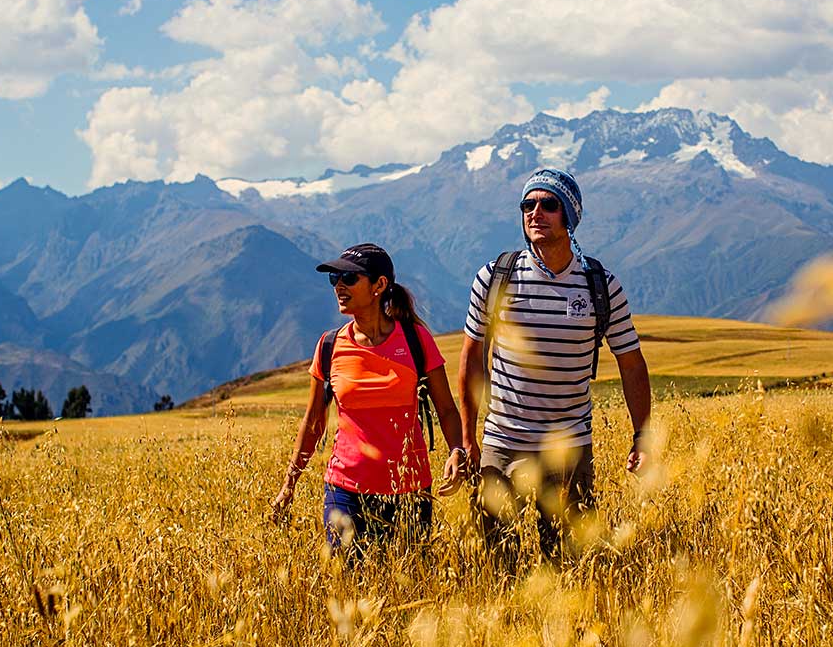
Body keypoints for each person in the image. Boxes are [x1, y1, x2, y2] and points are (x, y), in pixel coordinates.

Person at [459, 168, 651, 568]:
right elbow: (471, 360)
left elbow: (631, 364)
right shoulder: (496, 279)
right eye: (528, 205)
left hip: (569, 450)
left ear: (570, 216)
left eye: (549, 204)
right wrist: (466, 439)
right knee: (496, 565)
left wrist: (642, 437)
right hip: (503, 441)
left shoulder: (601, 285)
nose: (535, 213)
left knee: (571, 565)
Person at [272, 243, 466, 557]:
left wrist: (457, 449)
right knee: (349, 589)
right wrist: (289, 484)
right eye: (334, 277)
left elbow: (446, 408)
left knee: (410, 586)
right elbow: (313, 423)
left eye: (349, 278)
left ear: (379, 285)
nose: (338, 285)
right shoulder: (330, 346)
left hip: (409, 489)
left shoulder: (416, 339)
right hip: (345, 489)